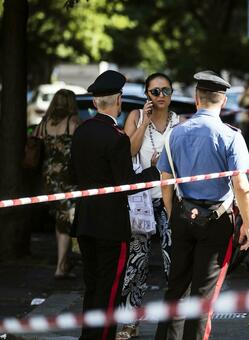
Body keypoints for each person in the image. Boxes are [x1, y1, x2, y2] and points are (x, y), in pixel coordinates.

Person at [154, 70, 249, 340]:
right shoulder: (231, 136)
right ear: (223, 102)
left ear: (197, 99)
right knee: (202, 297)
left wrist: (174, 214)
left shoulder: (175, 133)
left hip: (183, 214)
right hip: (217, 221)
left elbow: (165, 180)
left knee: (175, 290)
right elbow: (241, 186)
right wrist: (248, 224)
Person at [70, 70, 161, 340]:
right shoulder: (116, 137)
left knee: (93, 285)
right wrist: (153, 172)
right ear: (118, 101)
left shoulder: (82, 132)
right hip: (110, 225)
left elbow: (73, 172)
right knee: (109, 289)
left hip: (86, 219)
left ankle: (89, 336)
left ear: (96, 103)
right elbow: (127, 183)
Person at [116, 73, 180, 340]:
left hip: (169, 200)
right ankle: (130, 322)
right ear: (146, 95)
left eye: (165, 91)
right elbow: (128, 151)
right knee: (137, 261)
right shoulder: (135, 116)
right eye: (155, 92)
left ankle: (174, 323)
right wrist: (144, 120)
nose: (160, 96)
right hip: (141, 200)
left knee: (172, 261)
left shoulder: (179, 122)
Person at [38, 89, 81, 279]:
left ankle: (62, 264)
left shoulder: (44, 123)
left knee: (61, 221)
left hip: (49, 177)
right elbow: (81, 149)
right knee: (71, 220)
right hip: (68, 178)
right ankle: (63, 264)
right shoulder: (72, 122)